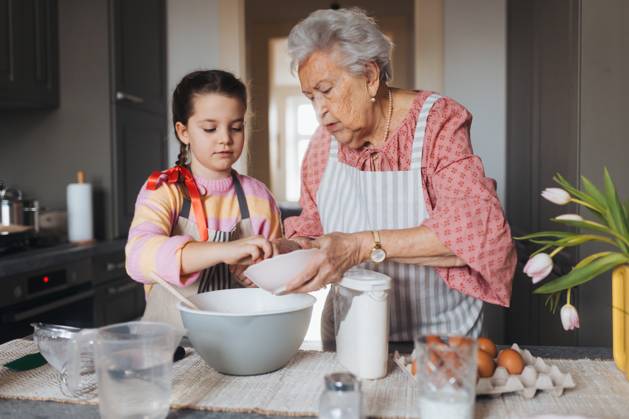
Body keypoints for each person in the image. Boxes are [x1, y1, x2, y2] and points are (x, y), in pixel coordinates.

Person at [277, 8, 517, 343]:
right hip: (351, 337)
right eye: (310, 97)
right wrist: (286, 250)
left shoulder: (436, 124)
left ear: (370, 76)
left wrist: (362, 245)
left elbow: (477, 232)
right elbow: (313, 227)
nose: (320, 111)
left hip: (440, 343)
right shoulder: (324, 143)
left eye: (327, 89)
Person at [125, 70, 282, 328]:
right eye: (210, 128)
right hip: (174, 347)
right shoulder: (164, 190)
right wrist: (224, 251)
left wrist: (260, 277)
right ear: (183, 132)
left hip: (240, 342)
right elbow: (138, 259)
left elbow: (278, 283)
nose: (225, 139)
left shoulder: (259, 198)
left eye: (236, 127)